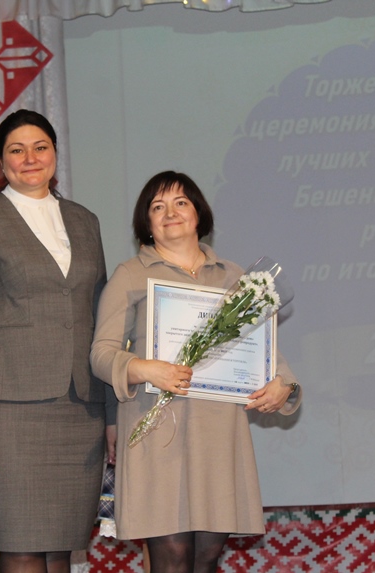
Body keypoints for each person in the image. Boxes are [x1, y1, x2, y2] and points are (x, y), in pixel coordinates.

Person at [90, 171, 302, 573]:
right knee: (172, 561)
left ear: (198, 213)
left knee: (205, 561)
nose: (170, 213)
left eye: (180, 203)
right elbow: (101, 354)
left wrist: (284, 387)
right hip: (158, 437)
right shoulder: (130, 275)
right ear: (146, 223)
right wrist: (144, 368)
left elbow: (269, 359)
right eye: (158, 207)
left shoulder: (234, 277)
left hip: (217, 437)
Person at [0, 109, 109, 573]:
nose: (30, 158)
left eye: (40, 147)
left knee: (61, 551)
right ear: (1, 162)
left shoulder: (85, 221)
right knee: (20, 547)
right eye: (17, 150)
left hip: (81, 414)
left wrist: (113, 416)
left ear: (55, 154)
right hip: (7, 417)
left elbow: (103, 323)